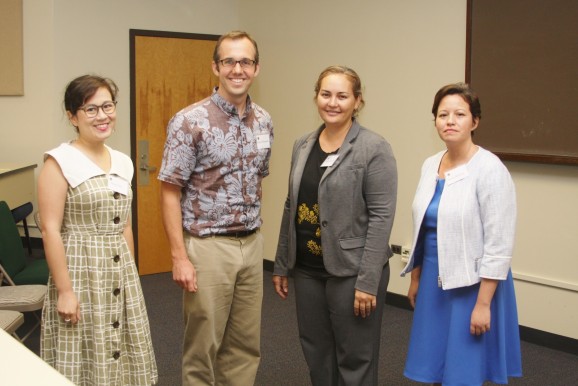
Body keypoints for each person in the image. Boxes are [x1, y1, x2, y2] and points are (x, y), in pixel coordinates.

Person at [158, 31, 273, 386]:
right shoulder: (189, 121)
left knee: (244, 345)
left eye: (246, 61)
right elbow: (168, 192)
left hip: (251, 245)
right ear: (216, 67)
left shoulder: (264, 121)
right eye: (229, 61)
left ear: (256, 68)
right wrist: (180, 256)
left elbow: (257, 179)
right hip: (208, 248)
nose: (237, 69)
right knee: (203, 346)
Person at [273, 65, 397, 386]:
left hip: (353, 271)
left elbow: (382, 217)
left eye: (343, 96)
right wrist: (282, 263)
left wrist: (368, 281)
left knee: (355, 356)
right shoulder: (303, 145)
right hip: (308, 270)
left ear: (358, 101)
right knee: (316, 351)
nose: (333, 102)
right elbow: (292, 204)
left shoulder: (374, 148)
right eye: (326, 94)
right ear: (316, 97)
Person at [38, 75, 158, 385]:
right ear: (72, 116)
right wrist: (65, 291)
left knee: (122, 344)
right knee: (84, 349)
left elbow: (125, 225)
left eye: (107, 106)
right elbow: (50, 230)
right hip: (80, 269)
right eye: (90, 109)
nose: (102, 116)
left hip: (119, 269)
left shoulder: (123, 161)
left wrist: (131, 273)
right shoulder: (59, 161)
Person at [401, 83, 522, 385]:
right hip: (433, 279)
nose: (450, 121)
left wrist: (483, 305)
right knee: (435, 367)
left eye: (459, 114)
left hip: (473, 286)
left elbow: (499, 244)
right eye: (443, 115)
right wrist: (416, 278)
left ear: (474, 122)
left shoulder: (490, 168)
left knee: (464, 371)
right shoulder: (431, 164)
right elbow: (422, 226)